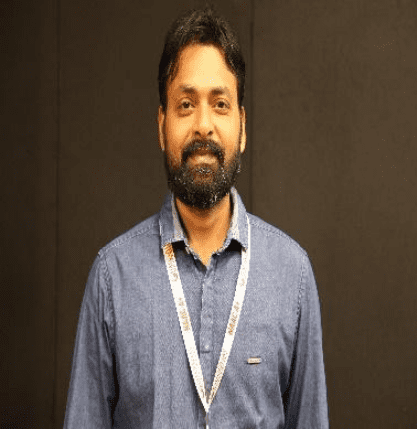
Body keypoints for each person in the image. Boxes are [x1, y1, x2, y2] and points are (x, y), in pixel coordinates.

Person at [64, 7, 329, 429]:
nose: (203, 125)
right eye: (186, 104)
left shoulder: (292, 275)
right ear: (161, 125)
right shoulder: (112, 277)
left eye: (220, 104)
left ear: (242, 126)